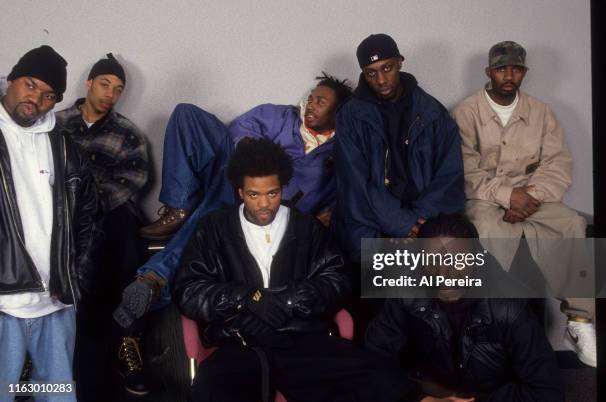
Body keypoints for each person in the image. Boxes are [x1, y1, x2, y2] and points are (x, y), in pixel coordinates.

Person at [172, 138, 429, 402]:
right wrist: (246, 298)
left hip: (301, 340)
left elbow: (338, 279)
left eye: (272, 193)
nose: (264, 204)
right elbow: (189, 291)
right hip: (239, 342)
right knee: (209, 392)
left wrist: (290, 299)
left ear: (282, 188)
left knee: (380, 375)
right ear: (240, 192)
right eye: (254, 194)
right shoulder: (214, 228)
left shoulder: (306, 226)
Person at [112, 74, 352, 329]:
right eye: (311, 98)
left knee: (209, 217)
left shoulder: (339, 153)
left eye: (321, 102)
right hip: (236, 179)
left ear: (338, 112)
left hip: (270, 211)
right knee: (187, 114)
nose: (311, 105)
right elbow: (240, 129)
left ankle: (154, 279)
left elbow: (340, 196)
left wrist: (326, 215)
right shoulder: (281, 116)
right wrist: (252, 158)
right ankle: (179, 206)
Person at [451, 40, 595, 367]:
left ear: (523, 73)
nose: (509, 75)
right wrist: (506, 195)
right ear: (489, 72)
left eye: (516, 68)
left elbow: (559, 163)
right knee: (484, 229)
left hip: (533, 197)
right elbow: (464, 168)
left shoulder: (541, 111)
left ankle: (580, 322)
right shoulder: (466, 111)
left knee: (572, 223)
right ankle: (491, 327)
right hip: (485, 198)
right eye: (502, 68)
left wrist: (529, 196)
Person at [366, 214, 565, 401]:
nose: (444, 273)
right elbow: (373, 360)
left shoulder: (510, 306)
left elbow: (547, 393)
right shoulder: (405, 291)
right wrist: (420, 398)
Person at [0, 45, 100, 402]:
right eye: (29, 85)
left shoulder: (65, 146)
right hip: (3, 304)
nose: (35, 99)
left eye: (48, 95)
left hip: (55, 303)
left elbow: (88, 217)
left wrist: (74, 276)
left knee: (56, 394)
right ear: (11, 80)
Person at [55, 54, 151, 397]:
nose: (111, 93)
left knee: (126, 234)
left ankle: (127, 341)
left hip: (110, 212)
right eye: (105, 84)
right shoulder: (57, 123)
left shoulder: (127, 133)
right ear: (89, 84)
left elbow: (134, 178)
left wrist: (90, 201)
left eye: (118, 89)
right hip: (60, 211)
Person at [333, 33, 464, 264]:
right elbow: (354, 182)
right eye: (371, 73)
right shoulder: (350, 116)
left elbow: (450, 175)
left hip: (426, 216)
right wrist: (401, 223)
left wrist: (419, 220)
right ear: (363, 73)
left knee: (446, 266)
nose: (381, 80)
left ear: (400, 62)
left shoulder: (433, 112)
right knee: (379, 275)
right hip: (370, 218)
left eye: (388, 68)